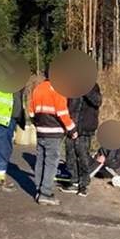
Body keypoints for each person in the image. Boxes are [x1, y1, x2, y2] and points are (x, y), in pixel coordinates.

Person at [29, 73, 77, 205]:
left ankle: (39, 189)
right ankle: (46, 193)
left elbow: (31, 112)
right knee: (51, 163)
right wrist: (72, 129)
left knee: (40, 160)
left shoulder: (38, 88)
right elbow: (62, 113)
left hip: (40, 131)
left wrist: (38, 125)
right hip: (54, 132)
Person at [59, 83, 102, 196]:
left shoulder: (93, 86)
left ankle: (83, 184)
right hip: (71, 126)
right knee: (70, 154)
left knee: (83, 155)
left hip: (85, 127)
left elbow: (97, 101)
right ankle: (73, 181)